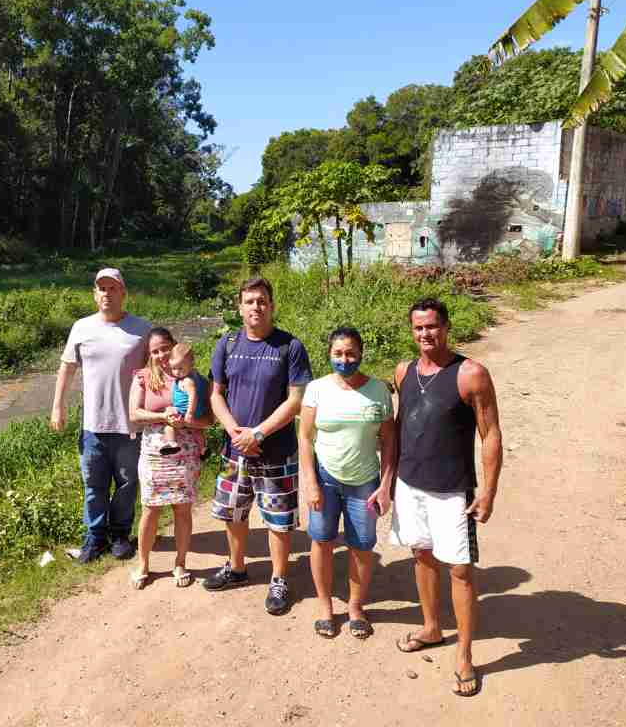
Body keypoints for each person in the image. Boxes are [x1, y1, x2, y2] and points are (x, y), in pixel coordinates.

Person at [390, 297, 503, 697]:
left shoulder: (470, 373)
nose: (426, 334)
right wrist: (389, 481)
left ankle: (466, 656)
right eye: (419, 327)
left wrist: (488, 491)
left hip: (452, 491)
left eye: (432, 326)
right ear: (412, 330)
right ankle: (432, 627)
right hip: (409, 485)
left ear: (446, 326)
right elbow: (398, 428)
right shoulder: (403, 371)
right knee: (420, 555)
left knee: (459, 570)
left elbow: (490, 434)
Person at [204, 276, 312, 615]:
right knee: (233, 512)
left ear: (272, 305)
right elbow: (215, 393)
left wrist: (259, 434)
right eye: (249, 301)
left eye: (262, 300)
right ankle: (237, 567)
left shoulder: (289, 346)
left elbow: (295, 400)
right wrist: (234, 431)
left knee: (279, 519)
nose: (256, 307)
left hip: (276, 451)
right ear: (240, 307)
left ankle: (279, 579)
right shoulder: (227, 343)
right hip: (233, 449)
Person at [298, 326, 396, 640]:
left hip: (365, 481)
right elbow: (305, 437)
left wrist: (385, 485)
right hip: (325, 479)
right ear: (329, 355)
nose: (345, 359)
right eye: (338, 353)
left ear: (361, 353)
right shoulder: (316, 389)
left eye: (351, 353)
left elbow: (389, 440)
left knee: (362, 546)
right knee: (322, 540)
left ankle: (355, 607)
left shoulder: (379, 390)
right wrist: (311, 482)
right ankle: (325, 606)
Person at [50, 267, 152, 563]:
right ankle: (94, 539)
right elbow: (67, 368)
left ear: (123, 293)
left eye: (112, 288)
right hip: (93, 425)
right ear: (95, 294)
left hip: (130, 425)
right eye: (101, 288)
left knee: (127, 483)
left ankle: (120, 535)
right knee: (94, 485)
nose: (107, 293)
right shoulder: (82, 328)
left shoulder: (141, 329)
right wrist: (58, 406)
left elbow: (157, 370)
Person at [128, 328, 214, 589]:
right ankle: (143, 562)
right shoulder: (143, 377)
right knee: (151, 508)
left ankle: (180, 562)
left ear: (174, 346)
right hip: (155, 451)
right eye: (155, 351)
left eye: (165, 347)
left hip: (186, 451)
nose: (161, 355)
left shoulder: (194, 378)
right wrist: (163, 417)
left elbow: (209, 420)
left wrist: (188, 422)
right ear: (149, 355)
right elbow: (134, 414)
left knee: (182, 508)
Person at [159, 343, 209, 456]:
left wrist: (190, 413)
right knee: (198, 431)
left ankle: (171, 443)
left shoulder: (187, 381)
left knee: (169, 426)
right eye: (173, 368)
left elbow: (193, 396)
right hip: (197, 411)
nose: (177, 372)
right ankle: (203, 448)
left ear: (191, 364)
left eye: (180, 368)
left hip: (185, 411)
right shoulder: (195, 375)